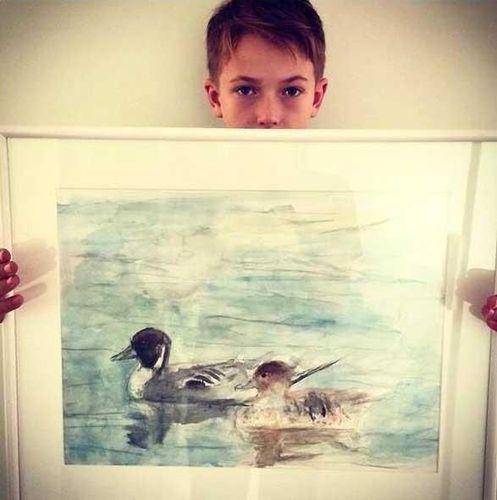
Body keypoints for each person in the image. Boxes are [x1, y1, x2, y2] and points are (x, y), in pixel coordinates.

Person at [0, 0, 496, 332]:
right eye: (245, 89)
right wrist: (35, 273)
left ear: (317, 96)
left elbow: (349, 295)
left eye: (292, 90)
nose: (268, 115)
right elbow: (109, 279)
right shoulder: (166, 187)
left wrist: (464, 303)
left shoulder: (338, 192)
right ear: (215, 96)